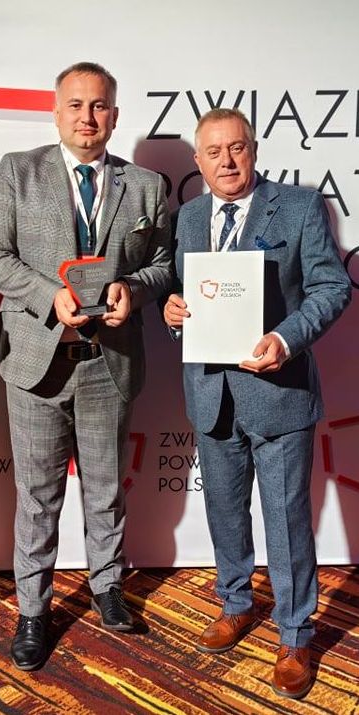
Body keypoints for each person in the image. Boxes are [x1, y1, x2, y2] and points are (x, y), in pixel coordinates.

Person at [0, 61, 172, 671]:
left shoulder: (146, 185)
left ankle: (107, 585)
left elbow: (163, 262)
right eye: (76, 105)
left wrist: (133, 291)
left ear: (114, 114)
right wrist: (47, 296)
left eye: (100, 105)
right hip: (38, 362)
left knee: (106, 488)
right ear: (56, 111)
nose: (88, 117)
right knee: (37, 498)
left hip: (108, 364)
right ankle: (33, 611)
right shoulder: (18, 170)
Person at [164, 108, 351, 699]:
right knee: (224, 512)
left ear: (253, 150)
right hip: (210, 395)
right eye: (213, 151)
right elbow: (185, 297)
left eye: (237, 147)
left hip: (280, 395)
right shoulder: (190, 217)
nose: (226, 161)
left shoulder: (298, 207)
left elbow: (331, 287)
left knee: (288, 522)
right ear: (197, 161)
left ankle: (295, 635)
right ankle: (236, 603)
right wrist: (174, 313)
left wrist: (286, 339)